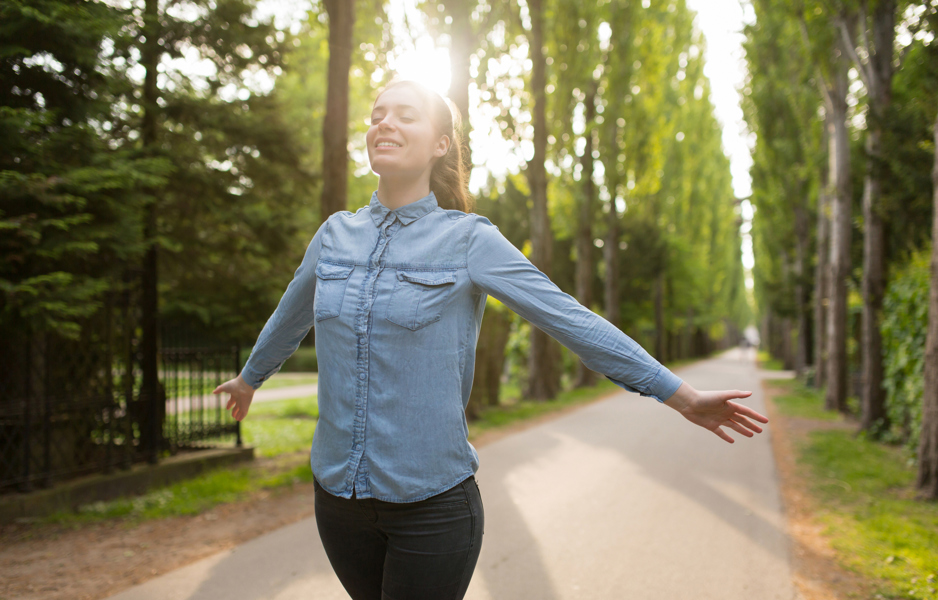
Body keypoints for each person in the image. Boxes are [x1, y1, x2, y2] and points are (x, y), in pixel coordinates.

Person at [213, 79, 769, 600]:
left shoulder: (469, 241)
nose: (385, 122)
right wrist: (250, 377)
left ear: (440, 144)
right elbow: (291, 314)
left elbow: (570, 319)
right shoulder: (334, 235)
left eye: (406, 115)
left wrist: (680, 395)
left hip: (432, 508)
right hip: (338, 499)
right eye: (377, 114)